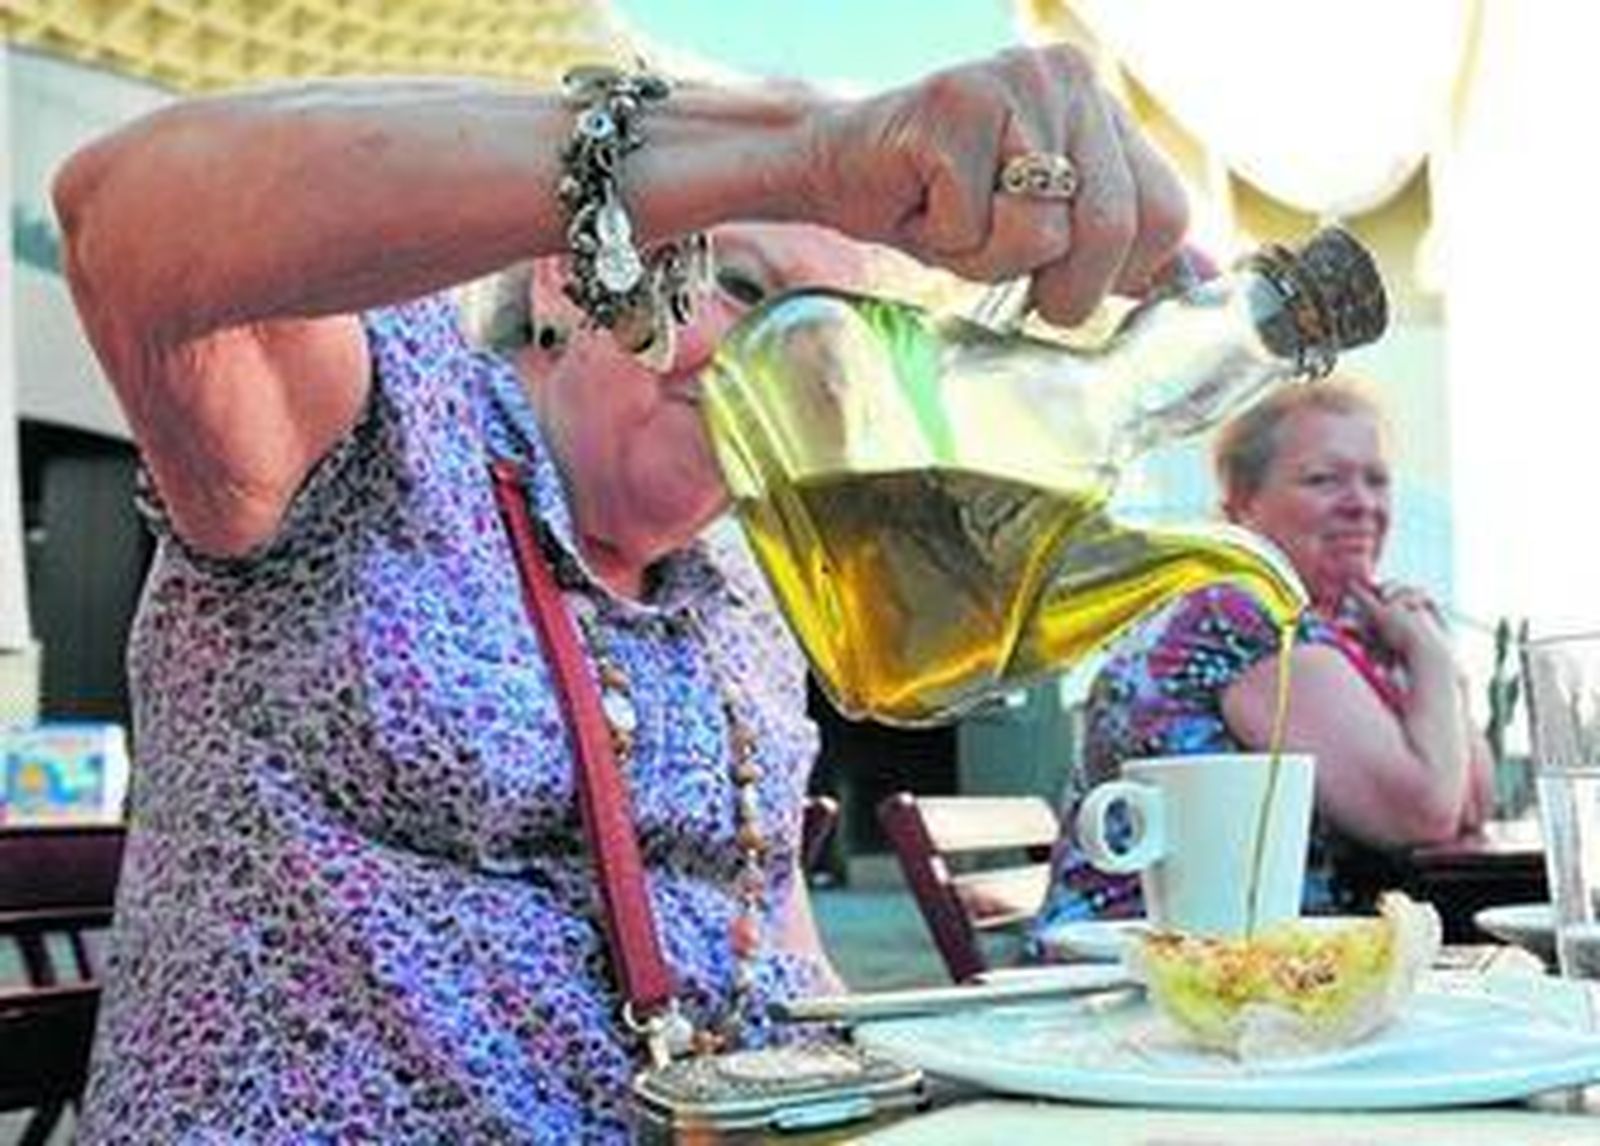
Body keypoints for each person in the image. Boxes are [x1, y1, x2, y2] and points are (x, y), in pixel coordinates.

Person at [53, 45, 1188, 1141]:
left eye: (844, 340)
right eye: (741, 286)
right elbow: (124, 217)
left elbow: (779, 957)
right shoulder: (382, 423)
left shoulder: (748, 589)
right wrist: (807, 149)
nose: (788, 368)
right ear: (566, 269)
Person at [1030, 379, 1494, 939]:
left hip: (1239, 960)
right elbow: (1424, 813)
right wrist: (1433, 662)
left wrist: (1425, 654)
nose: (1362, 504)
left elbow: (1469, 804)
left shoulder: (1338, 630)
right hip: (1146, 966)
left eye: (1377, 480)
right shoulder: (1237, 608)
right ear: (1242, 504)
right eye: (1323, 479)